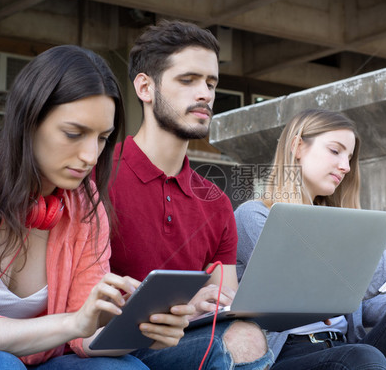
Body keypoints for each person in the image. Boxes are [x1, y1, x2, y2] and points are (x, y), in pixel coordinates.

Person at [0, 45, 193, 370]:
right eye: (74, 133)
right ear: (28, 121)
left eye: (102, 138)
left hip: (45, 362)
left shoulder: (86, 207)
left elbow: (82, 339)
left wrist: (140, 331)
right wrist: (73, 322)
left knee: (129, 368)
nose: (90, 155)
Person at [234, 109, 386, 370]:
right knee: (362, 357)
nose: (345, 166)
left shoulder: (338, 225)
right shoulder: (254, 216)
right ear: (298, 146)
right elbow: (318, 291)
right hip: (290, 356)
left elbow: (366, 307)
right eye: (335, 151)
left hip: (350, 347)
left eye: (349, 158)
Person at [108, 20, 273, 369]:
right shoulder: (97, 175)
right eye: (188, 80)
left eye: (211, 83)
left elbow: (221, 303)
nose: (205, 94)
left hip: (181, 341)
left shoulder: (216, 201)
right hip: (103, 346)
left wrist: (203, 305)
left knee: (245, 335)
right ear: (145, 87)